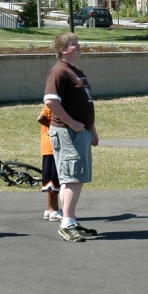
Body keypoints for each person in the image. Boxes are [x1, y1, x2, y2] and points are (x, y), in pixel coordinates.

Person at [44, 33, 100, 242]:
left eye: (77, 44)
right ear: (62, 50)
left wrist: (91, 128)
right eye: (73, 45)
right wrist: (71, 122)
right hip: (67, 133)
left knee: (77, 178)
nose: (78, 47)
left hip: (81, 132)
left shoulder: (76, 71)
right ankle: (66, 222)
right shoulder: (59, 72)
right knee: (71, 177)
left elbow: (84, 102)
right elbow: (51, 102)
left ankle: (72, 219)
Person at [37, 104, 62, 221]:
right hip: (52, 146)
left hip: (49, 146)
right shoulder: (52, 105)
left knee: (50, 180)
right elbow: (41, 118)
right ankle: (54, 210)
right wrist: (52, 128)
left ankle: (49, 208)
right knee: (53, 180)